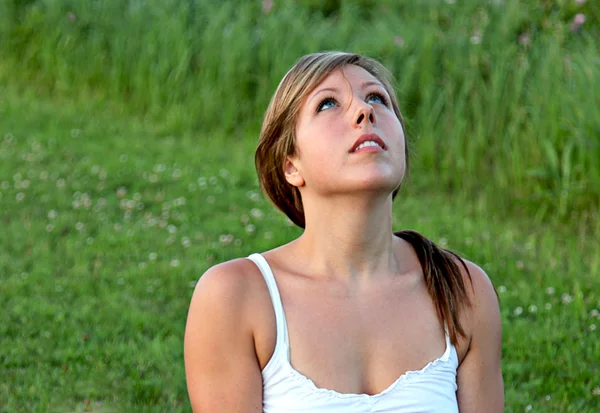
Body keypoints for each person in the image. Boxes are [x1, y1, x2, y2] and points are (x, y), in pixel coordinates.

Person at [184, 51, 503, 412]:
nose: (364, 113)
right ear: (290, 164)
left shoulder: (463, 291)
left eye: (377, 98)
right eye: (328, 104)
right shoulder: (235, 297)